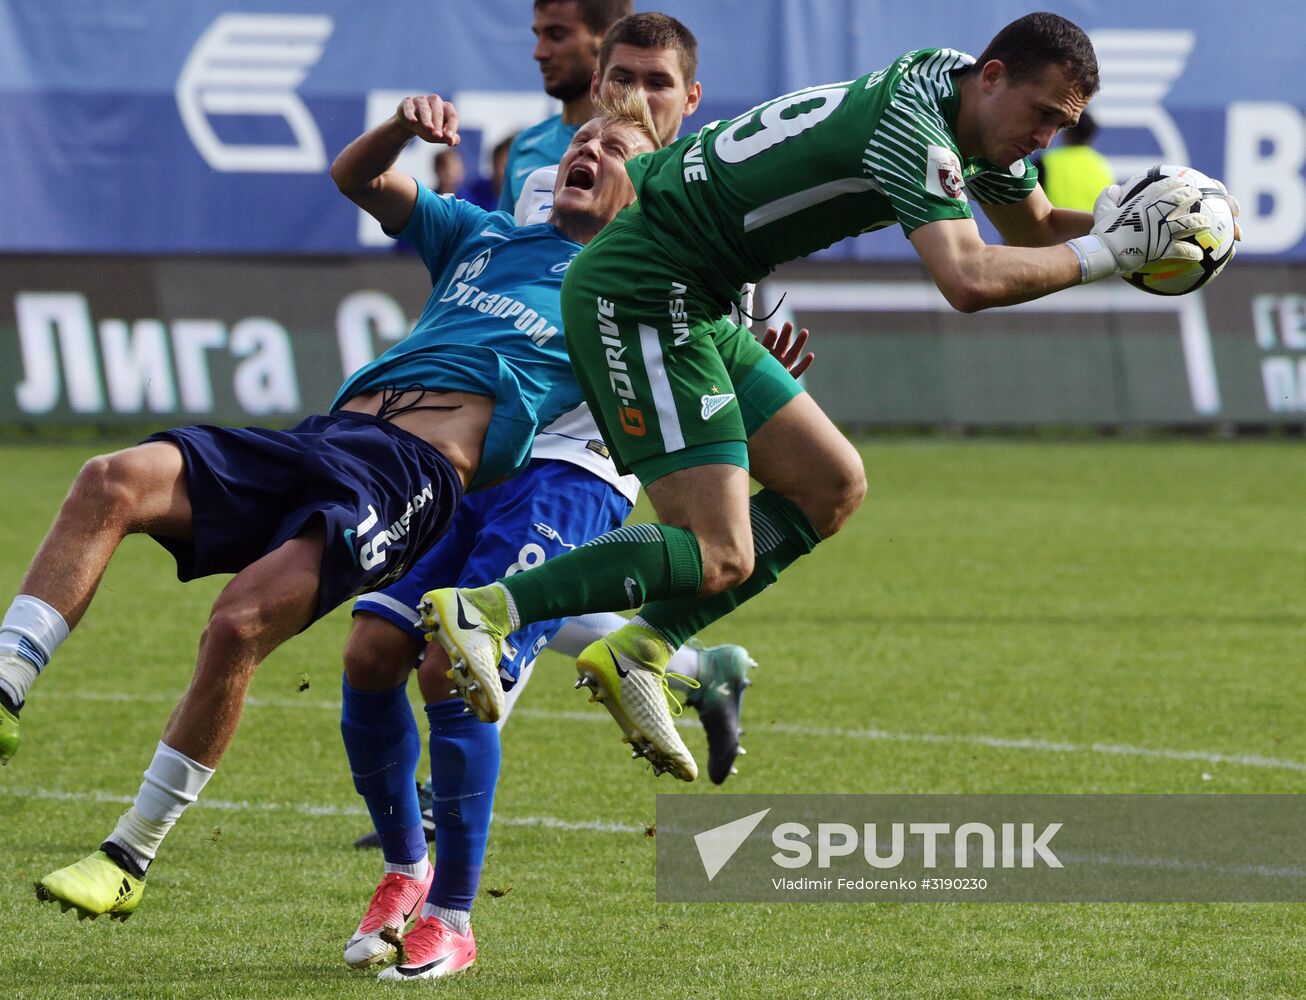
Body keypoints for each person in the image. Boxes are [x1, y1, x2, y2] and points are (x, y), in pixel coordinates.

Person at [423, 13, 1227, 783]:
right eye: (1044, 115)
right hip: (644, 286)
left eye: (1061, 122)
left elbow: (1035, 227)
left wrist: (1133, 234)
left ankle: (639, 649)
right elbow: (970, 279)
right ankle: (488, 612)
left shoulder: (959, 98)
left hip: (693, 290)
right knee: (719, 550)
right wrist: (1107, 254)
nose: (1047, 137)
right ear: (992, 77)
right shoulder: (917, 127)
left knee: (831, 484)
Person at [2, 90, 659, 927]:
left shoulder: (619, 300)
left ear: (641, 196)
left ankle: (128, 854)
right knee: (110, 480)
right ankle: (4, 686)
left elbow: (702, 387)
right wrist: (399, 128)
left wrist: (761, 375)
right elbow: (357, 175)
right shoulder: (482, 234)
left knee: (239, 623)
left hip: (408, 479)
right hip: (322, 438)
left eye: (617, 152)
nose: (590, 150)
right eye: (587, 138)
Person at [338, 14, 781, 980]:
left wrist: (760, 363)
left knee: (454, 670)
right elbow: (508, 257)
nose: (620, 106)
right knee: (374, 647)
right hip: (483, 458)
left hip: (579, 472)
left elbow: (716, 361)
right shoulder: (540, 170)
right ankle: (407, 874)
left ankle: (453, 916)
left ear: (688, 102)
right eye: (614, 86)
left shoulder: (706, 220)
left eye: (653, 86)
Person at [499, 0, 633, 214]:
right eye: (538, 35)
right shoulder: (525, 144)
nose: (539, 53)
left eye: (556, 35)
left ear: (608, 37)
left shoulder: (648, 153)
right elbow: (504, 242)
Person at [1036, 110, 1115, 211]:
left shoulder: (1048, 161)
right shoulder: (1102, 165)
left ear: (1068, 132)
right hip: (1091, 225)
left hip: (1056, 224)